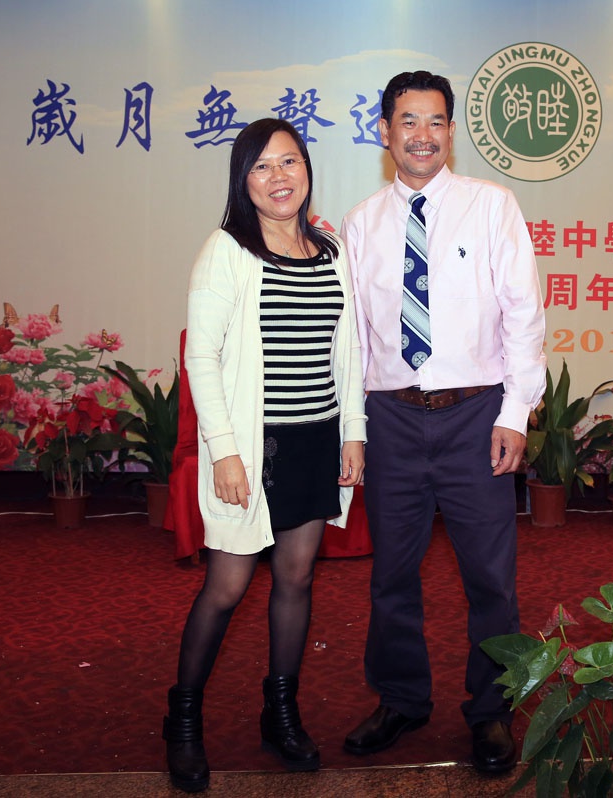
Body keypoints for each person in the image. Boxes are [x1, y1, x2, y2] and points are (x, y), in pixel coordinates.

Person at [339, 70, 546, 774]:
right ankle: (401, 699)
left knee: (490, 577)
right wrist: (354, 428)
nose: (421, 135)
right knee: (392, 574)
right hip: (391, 419)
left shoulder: (492, 206)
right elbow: (351, 339)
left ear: (451, 132)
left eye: (435, 122)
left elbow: (523, 314)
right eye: (408, 121)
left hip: (475, 418)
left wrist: (515, 412)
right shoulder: (362, 223)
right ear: (385, 131)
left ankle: (492, 710)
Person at [162, 118, 366, 793]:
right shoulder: (227, 250)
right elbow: (202, 357)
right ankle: (182, 722)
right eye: (262, 166)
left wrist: (354, 432)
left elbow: (348, 349)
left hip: (316, 439)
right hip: (254, 447)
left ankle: (280, 714)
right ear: (242, 181)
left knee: (297, 579)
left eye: (290, 162)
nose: (279, 177)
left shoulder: (331, 250)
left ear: (307, 169)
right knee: (226, 586)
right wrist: (224, 453)